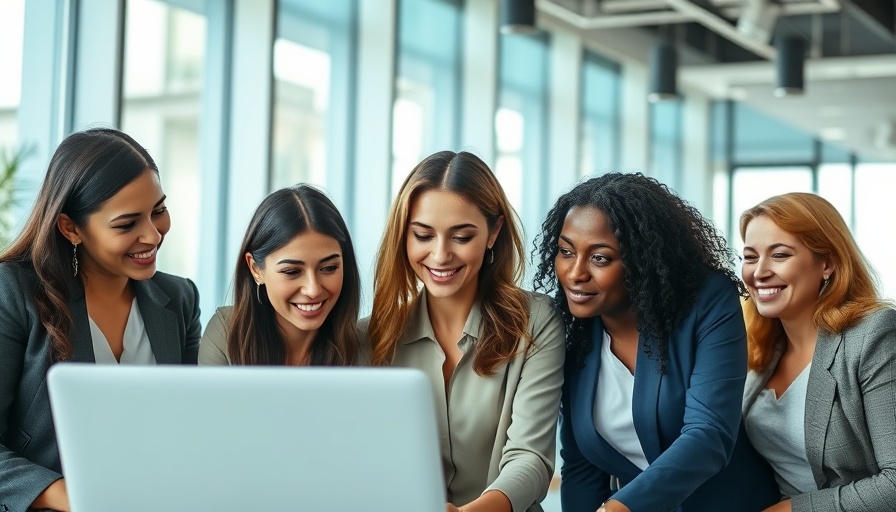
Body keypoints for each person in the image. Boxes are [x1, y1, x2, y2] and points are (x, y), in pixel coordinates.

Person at [533, 172, 779, 512]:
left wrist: (621, 507)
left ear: (642, 260)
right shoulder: (573, 330)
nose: (576, 273)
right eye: (565, 252)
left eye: (600, 257)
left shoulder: (707, 302)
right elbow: (581, 465)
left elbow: (709, 435)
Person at [0, 128, 201, 512]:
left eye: (158, 210)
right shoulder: (14, 292)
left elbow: (188, 426)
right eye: (127, 224)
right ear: (70, 228)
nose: (153, 234)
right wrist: (76, 498)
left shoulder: (179, 299)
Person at [360, 150, 565, 512]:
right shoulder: (370, 339)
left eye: (461, 237)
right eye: (423, 235)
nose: (440, 256)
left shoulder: (536, 322)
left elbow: (530, 457)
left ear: (493, 232)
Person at [740, 192, 896, 512]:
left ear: (828, 263)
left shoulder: (873, 336)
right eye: (750, 257)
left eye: (780, 255)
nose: (759, 272)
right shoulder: (759, 351)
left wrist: (789, 509)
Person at [199, 184, 362, 366]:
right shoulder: (226, 335)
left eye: (329, 268)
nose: (313, 290)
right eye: (292, 272)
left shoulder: (366, 349)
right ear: (255, 269)